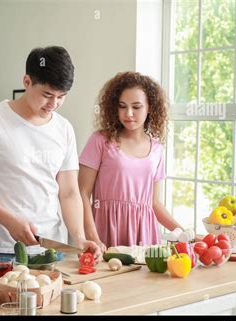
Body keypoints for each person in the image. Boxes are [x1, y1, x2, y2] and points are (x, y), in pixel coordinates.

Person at [0, 46, 101, 260]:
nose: (54, 104)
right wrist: (9, 221)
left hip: (50, 249)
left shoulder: (64, 128)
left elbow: (69, 192)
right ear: (27, 82)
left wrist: (79, 237)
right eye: (47, 95)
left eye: (61, 97)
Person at [78, 71, 183, 251]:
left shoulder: (157, 149)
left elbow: (154, 204)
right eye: (122, 106)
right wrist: (93, 237)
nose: (128, 113)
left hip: (145, 236)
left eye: (136, 107)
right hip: (105, 234)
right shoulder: (100, 140)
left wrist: (184, 234)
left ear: (150, 107)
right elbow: (82, 192)